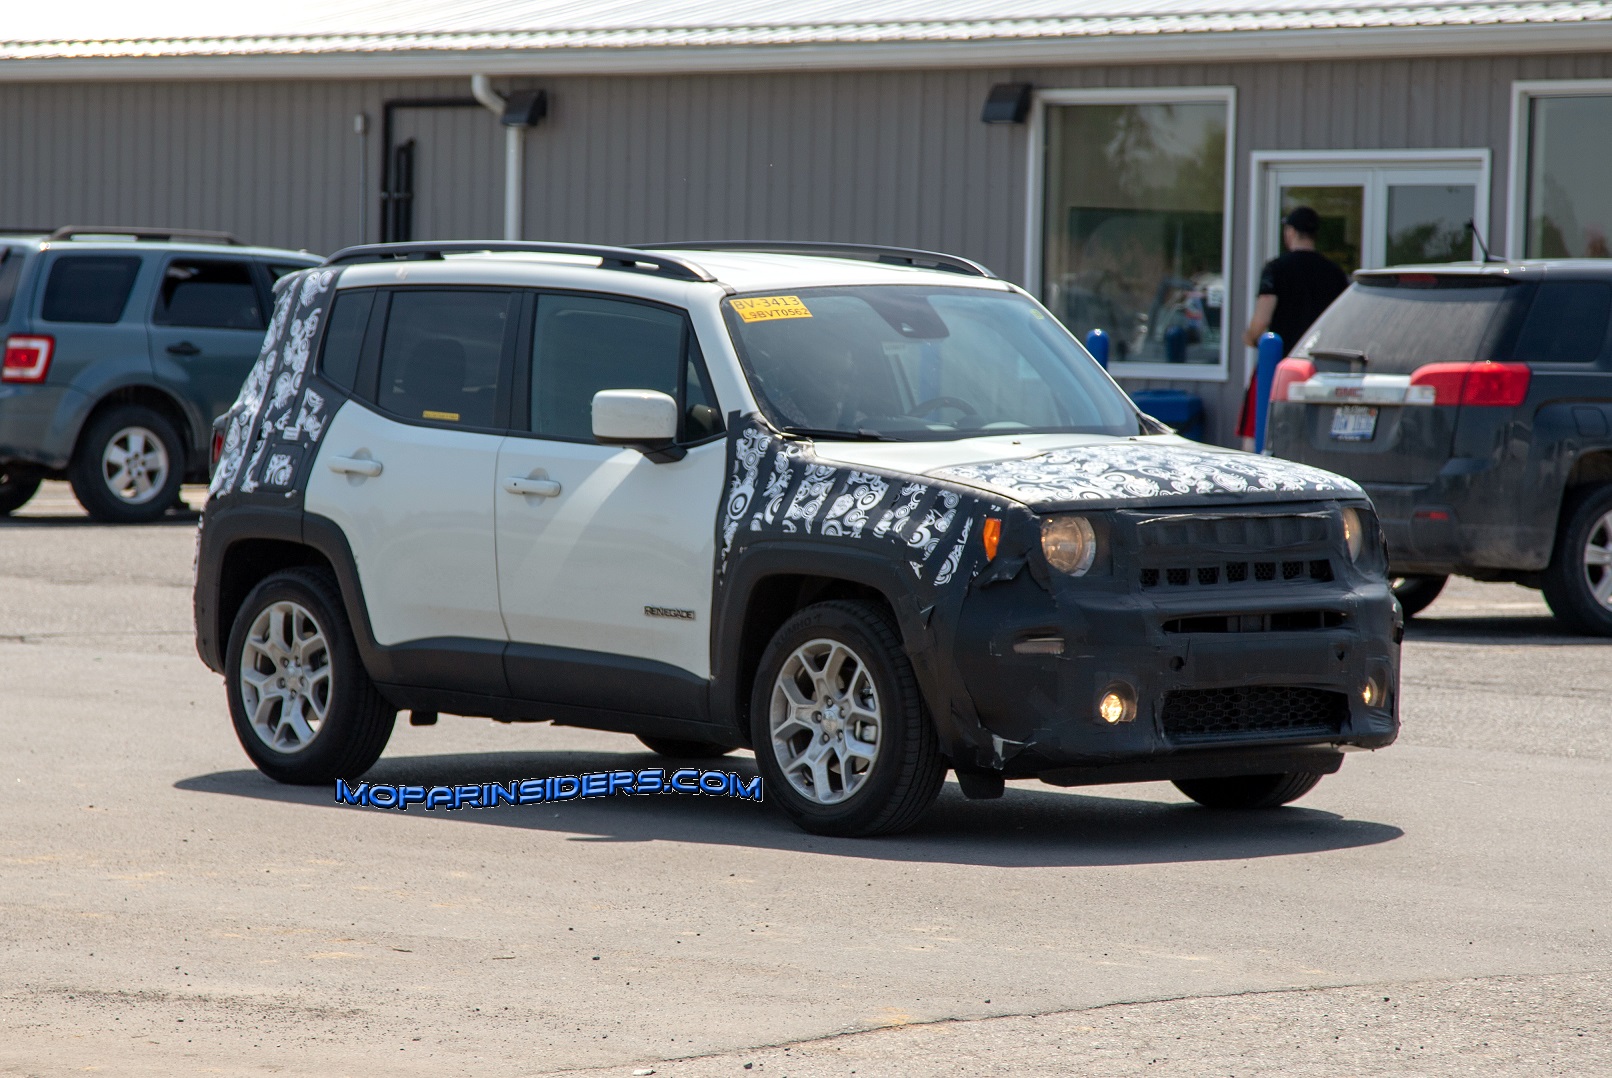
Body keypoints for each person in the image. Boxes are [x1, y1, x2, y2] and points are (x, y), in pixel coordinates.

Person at [1237, 206, 1350, 440]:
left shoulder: (1276, 269)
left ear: (1290, 232)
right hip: (1320, 371)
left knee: (1259, 435)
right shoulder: (1335, 274)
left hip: (1279, 369)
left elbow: (1262, 319)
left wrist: (1250, 337)